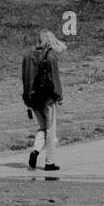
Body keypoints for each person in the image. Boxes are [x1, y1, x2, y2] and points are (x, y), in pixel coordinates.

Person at [21, 30, 65, 171]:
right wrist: (59, 96)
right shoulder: (50, 55)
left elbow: (25, 78)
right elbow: (55, 78)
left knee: (42, 127)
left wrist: (27, 98)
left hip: (33, 98)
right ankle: (49, 162)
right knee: (50, 130)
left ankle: (35, 151)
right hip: (47, 98)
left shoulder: (27, 55)